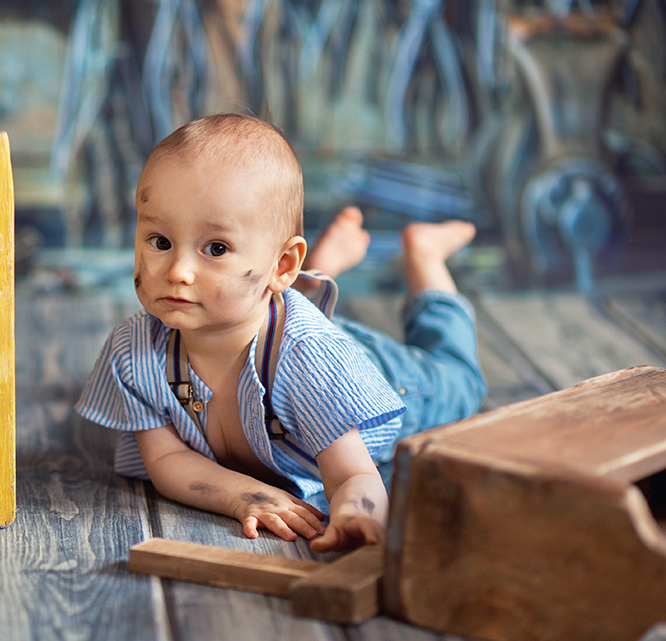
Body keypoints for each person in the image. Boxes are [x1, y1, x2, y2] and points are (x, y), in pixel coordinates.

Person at [76, 113, 486, 552]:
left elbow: (353, 475)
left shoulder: (310, 361)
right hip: (270, 315)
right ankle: (318, 275)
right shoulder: (134, 350)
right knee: (260, 305)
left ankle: (425, 257)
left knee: (463, 380)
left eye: (216, 249)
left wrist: (355, 513)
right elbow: (168, 460)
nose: (178, 272)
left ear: (281, 266)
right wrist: (242, 495)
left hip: (396, 381)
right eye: (159, 241)